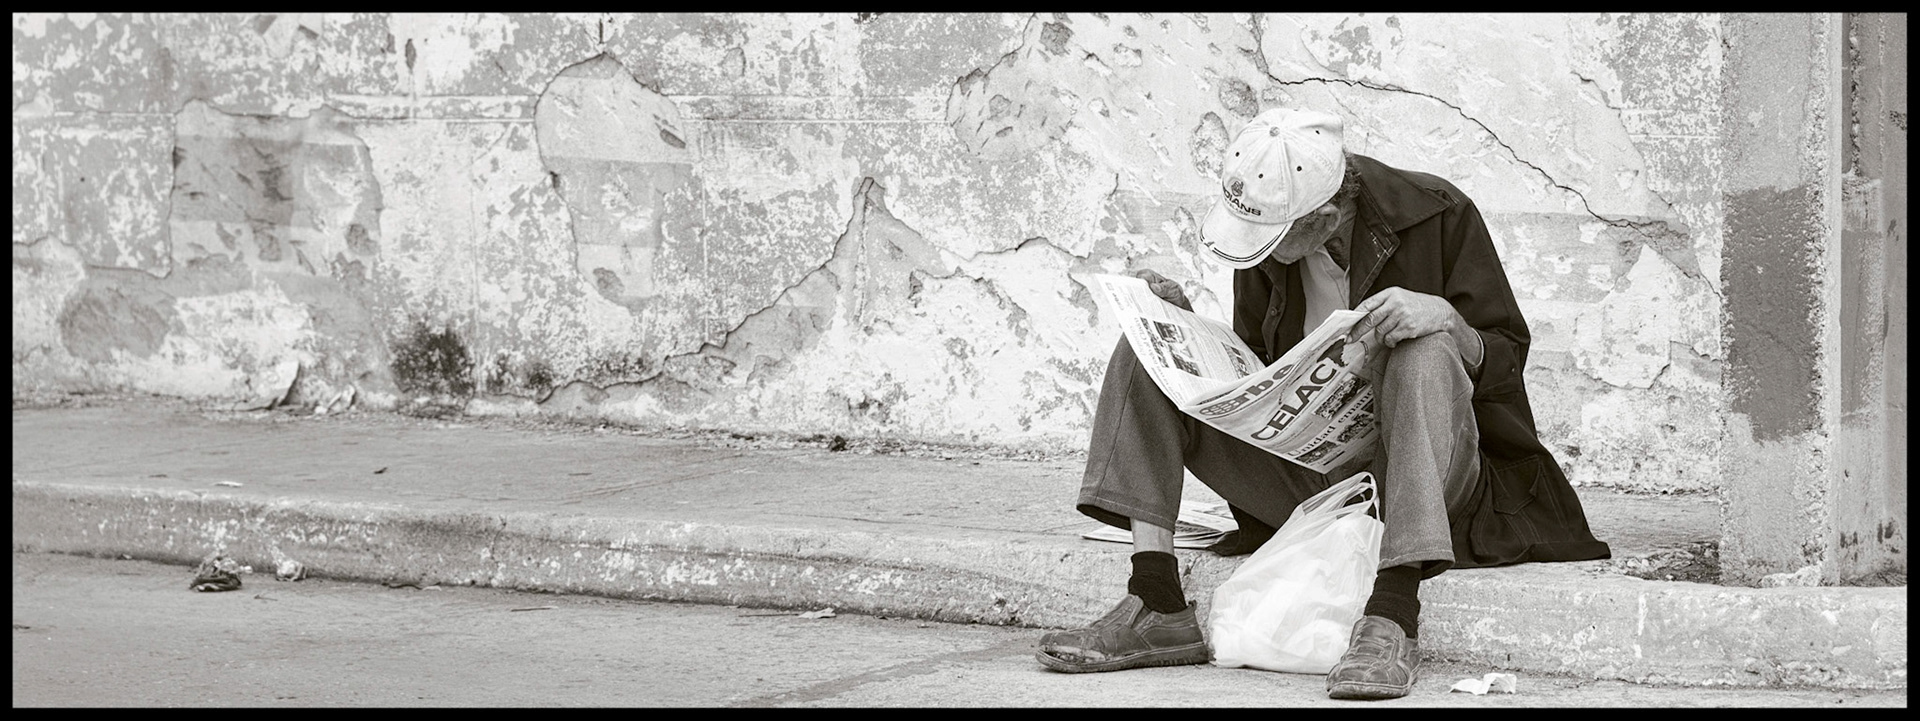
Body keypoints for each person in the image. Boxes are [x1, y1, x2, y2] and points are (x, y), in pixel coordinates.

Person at [1035, 107, 1611, 700]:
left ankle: (1392, 614)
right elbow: (1258, 375)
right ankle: (1156, 601)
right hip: (1316, 476)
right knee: (1144, 348)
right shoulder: (1270, 251)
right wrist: (1176, 327)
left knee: (1424, 346)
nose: (1258, 251)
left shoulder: (1439, 213)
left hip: (1436, 480)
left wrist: (1448, 320)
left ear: (1326, 218)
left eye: (1270, 238)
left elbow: (1507, 358)